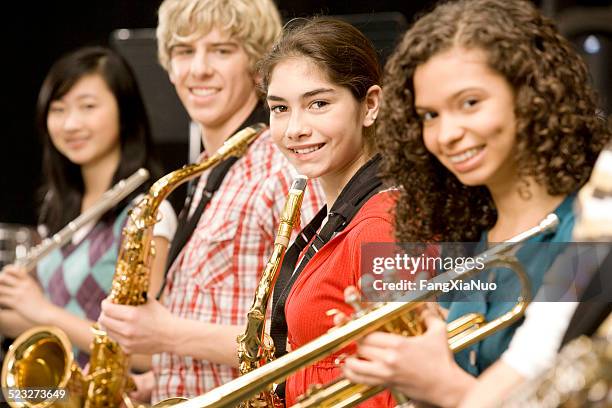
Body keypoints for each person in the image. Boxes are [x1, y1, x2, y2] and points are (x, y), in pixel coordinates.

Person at [340, 0, 611, 406]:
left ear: (531, 94)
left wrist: (444, 387)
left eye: (469, 103)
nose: (446, 133)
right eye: (429, 115)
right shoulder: (465, 244)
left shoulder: (593, 232)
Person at [97, 0, 323, 404]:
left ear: (258, 66)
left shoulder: (284, 166)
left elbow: (312, 337)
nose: (198, 69)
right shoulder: (205, 172)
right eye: (184, 51)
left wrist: (166, 334)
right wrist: (157, 381)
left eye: (222, 50)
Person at [0, 46, 177, 368]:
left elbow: (149, 354)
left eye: (88, 106)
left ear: (125, 113)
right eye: (59, 109)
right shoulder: (56, 205)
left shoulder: (149, 213)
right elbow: (48, 324)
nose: (71, 124)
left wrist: (41, 310)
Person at [260, 17, 397, 407]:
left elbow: (395, 390)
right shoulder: (343, 216)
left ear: (370, 105)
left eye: (318, 103)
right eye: (280, 108)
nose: (295, 129)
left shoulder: (383, 225)